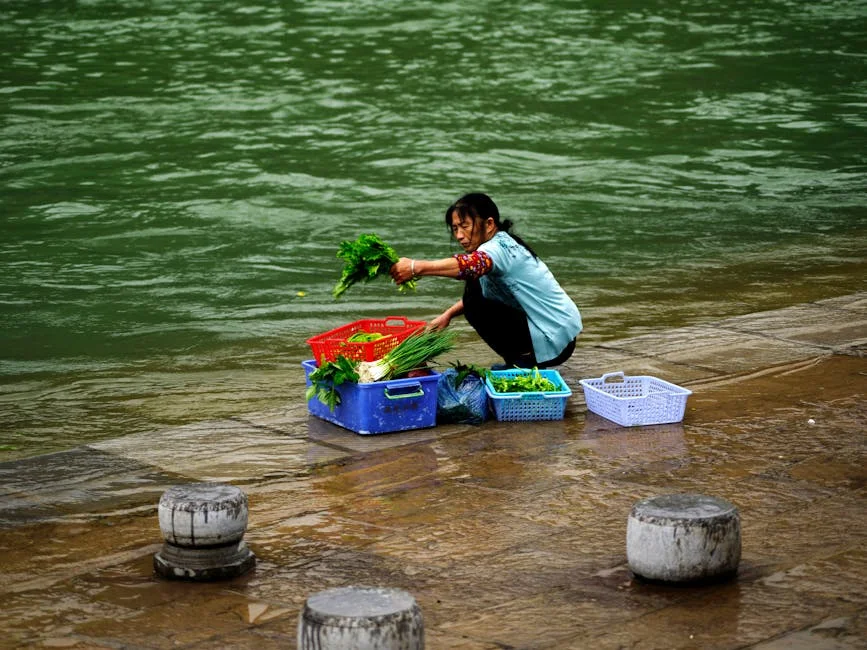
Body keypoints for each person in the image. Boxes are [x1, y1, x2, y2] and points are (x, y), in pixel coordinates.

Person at [390, 192, 582, 368]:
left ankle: (524, 361)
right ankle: (520, 359)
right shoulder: (497, 245)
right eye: (455, 228)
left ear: (489, 224)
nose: (458, 235)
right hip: (557, 331)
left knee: (474, 301)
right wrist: (447, 315)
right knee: (474, 290)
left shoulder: (498, 248)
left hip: (554, 337)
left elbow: (469, 266)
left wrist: (416, 267)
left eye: (465, 226)